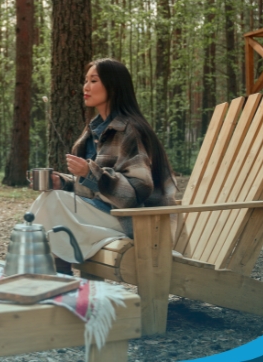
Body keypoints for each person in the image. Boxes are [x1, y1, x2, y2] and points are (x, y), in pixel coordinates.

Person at [29, 58, 177, 275]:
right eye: (85, 81)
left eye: (94, 80)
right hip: (106, 214)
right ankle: (53, 274)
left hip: (137, 222)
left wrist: (91, 173)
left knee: (53, 202)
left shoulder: (130, 130)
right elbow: (93, 190)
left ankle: (48, 273)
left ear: (113, 86)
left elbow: (134, 194)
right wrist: (64, 182)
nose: (86, 87)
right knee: (53, 195)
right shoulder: (93, 132)